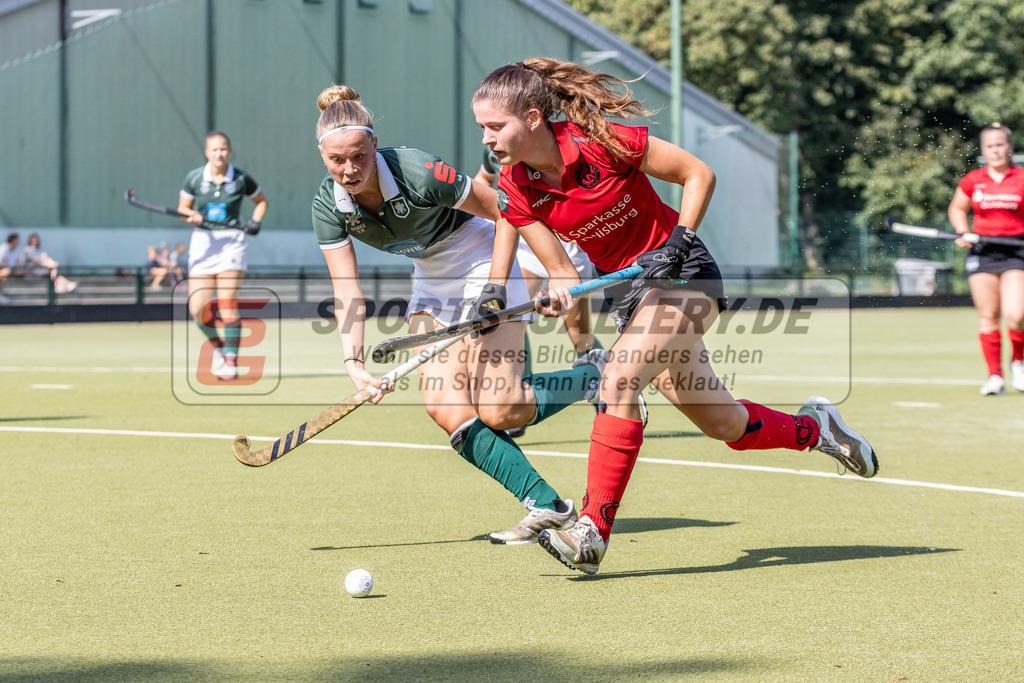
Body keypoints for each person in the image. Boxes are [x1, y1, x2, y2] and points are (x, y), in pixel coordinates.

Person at [471, 57, 878, 574]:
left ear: (532, 118)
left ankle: (591, 531)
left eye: (495, 126)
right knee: (723, 423)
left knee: (617, 378)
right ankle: (816, 429)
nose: (486, 138)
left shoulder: (601, 141)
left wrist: (679, 242)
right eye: (481, 127)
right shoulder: (515, 187)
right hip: (632, 297)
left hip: (684, 273)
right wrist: (558, 297)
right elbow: (564, 274)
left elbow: (697, 174)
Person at [311, 84, 607, 544]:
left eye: (358, 157)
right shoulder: (328, 206)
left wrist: (504, 283)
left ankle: (597, 377)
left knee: (502, 408)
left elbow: (507, 210)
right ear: (323, 156)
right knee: (446, 409)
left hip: (483, 258)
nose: (349, 170)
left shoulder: (416, 170)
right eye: (337, 160)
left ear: (375, 145)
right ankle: (547, 506)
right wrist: (354, 362)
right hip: (431, 279)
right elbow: (347, 290)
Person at [475, 147, 607, 438]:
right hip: (526, 243)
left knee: (579, 336)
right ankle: (517, 397)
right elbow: (482, 182)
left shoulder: (553, 150)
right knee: (512, 314)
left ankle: (613, 384)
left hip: (567, 250)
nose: (490, 136)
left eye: (496, 126)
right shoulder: (496, 152)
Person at [178, 131, 268, 381]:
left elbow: (261, 202)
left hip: (232, 243)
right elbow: (183, 208)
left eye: (223, 148)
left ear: (229, 151)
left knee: (227, 303)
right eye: (215, 149)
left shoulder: (240, 178)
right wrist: (190, 216)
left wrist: (255, 221)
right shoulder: (194, 178)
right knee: (198, 308)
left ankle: (231, 361)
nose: (219, 153)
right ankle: (219, 347)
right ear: (207, 152)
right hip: (203, 243)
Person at [948, 123, 1024, 396]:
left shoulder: (1021, 177)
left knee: (1016, 315)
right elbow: (957, 208)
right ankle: (995, 376)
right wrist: (962, 231)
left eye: (1000, 144)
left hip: (1016, 251)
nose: (995, 150)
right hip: (983, 252)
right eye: (990, 146)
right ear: (983, 149)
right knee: (988, 316)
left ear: (1009, 147)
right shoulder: (973, 179)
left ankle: (1018, 362)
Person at [0, 232, 22, 303]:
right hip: (4, 270)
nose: (19, 242)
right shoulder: (3, 248)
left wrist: (18, 270)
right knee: (6, 273)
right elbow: (3, 262)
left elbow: (18, 262)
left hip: (11, 271)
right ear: (13, 240)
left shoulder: (16, 250)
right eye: (17, 240)